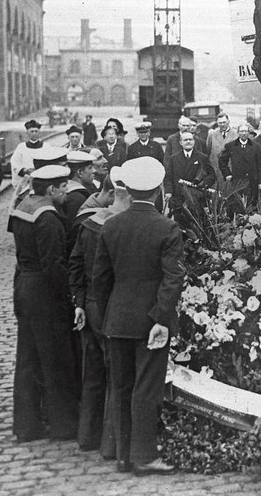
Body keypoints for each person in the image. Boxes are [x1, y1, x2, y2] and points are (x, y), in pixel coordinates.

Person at [93, 156, 183, 475]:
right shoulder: (167, 227)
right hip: (150, 322)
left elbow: (100, 280)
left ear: (127, 190)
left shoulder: (111, 225)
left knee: (121, 386)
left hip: (117, 318)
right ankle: (144, 456)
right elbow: (173, 278)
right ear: (159, 189)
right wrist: (160, 318)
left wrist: (107, 318)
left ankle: (122, 455)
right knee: (146, 388)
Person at [9, 164, 80, 443]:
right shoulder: (48, 218)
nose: (66, 192)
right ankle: (64, 425)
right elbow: (53, 265)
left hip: (24, 286)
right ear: (51, 189)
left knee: (27, 359)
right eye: (63, 187)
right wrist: (69, 294)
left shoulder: (24, 206)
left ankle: (26, 426)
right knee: (56, 359)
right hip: (44, 294)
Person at [69, 167, 127, 457]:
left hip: (89, 304)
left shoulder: (89, 223)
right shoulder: (117, 226)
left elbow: (75, 264)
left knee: (92, 373)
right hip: (109, 307)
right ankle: (110, 445)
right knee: (116, 374)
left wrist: (79, 302)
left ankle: (86, 436)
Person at [164, 131, 216, 220]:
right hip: (179, 197)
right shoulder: (174, 158)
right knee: (180, 225)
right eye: (185, 140)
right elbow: (168, 177)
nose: (188, 142)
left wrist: (204, 183)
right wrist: (168, 191)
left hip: (197, 198)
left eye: (190, 140)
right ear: (180, 142)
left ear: (194, 141)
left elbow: (212, 175)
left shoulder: (202, 157)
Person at [218, 124, 261, 213]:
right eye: (242, 131)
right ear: (238, 133)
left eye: (246, 131)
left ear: (249, 133)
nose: (244, 133)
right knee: (237, 203)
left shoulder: (256, 146)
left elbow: (260, 165)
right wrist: (227, 174)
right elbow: (222, 161)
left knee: (251, 204)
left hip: (252, 180)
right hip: (237, 180)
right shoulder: (230, 145)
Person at [62, 151, 98, 243]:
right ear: (80, 172)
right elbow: (74, 232)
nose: (94, 170)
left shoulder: (67, 191)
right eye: (90, 168)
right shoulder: (77, 198)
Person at [10, 120, 44, 209]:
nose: (34, 134)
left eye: (36, 131)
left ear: (39, 133)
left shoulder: (46, 146)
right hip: (25, 181)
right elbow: (14, 162)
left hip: (41, 180)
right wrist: (24, 170)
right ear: (27, 133)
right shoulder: (21, 147)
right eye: (32, 131)